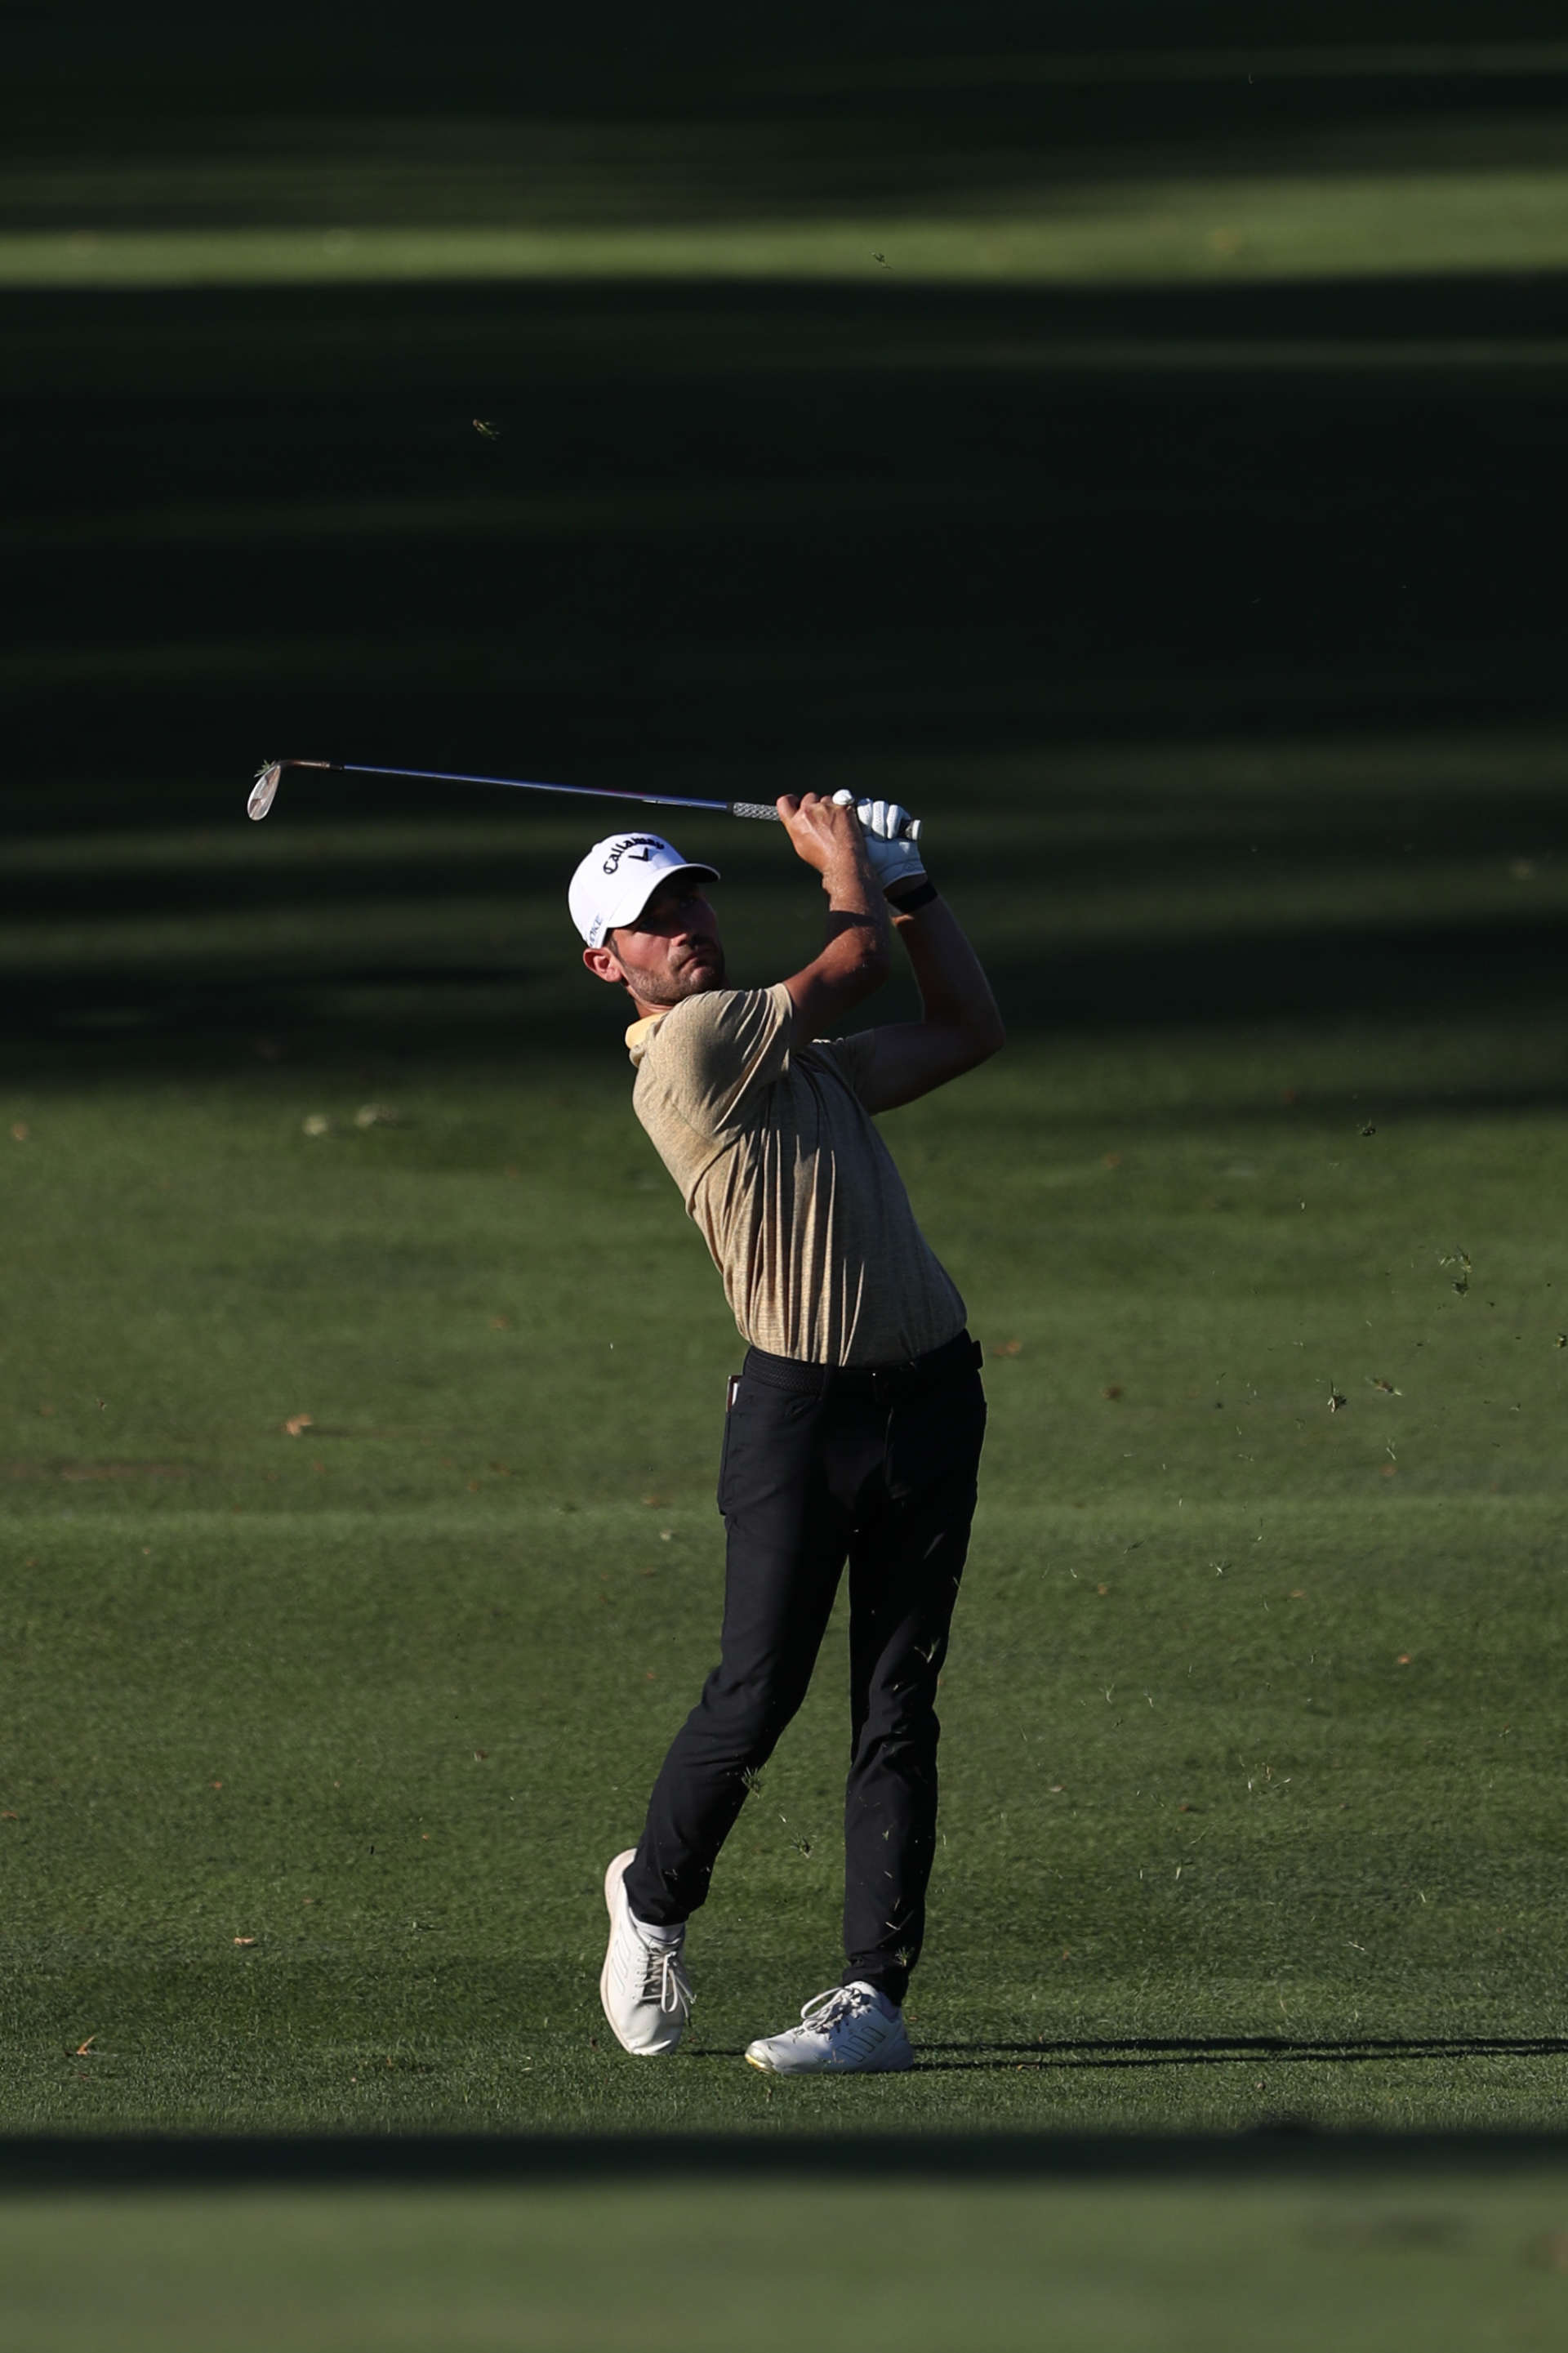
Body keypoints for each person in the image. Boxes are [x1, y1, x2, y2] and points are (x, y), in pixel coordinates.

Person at [570, 789, 1003, 2073]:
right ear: (611, 965)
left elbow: (968, 1026)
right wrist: (849, 867)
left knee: (898, 1702)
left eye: (691, 897)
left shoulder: (794, 1066)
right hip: (800, 1416)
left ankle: (875, 1995)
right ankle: (653, 1896)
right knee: (757, 1691)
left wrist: (914, 885)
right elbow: (855, 958)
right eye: (651, 920)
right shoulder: (694, 1050)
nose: (686, 924)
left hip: (931, 1394)